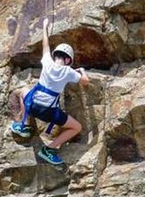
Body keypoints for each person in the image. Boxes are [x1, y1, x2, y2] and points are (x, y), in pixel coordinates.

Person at [10, 18, 89, 166]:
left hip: (33, 106)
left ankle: (24, 125)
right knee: (76, 127)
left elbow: (45, 45)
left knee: (22, 91)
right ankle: (49, 149)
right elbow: (85, 82)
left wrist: (45, 27)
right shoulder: (68, 72)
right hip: (48, 113)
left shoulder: (47, 61)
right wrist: (82, 71)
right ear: (68, 60)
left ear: (56, 55)